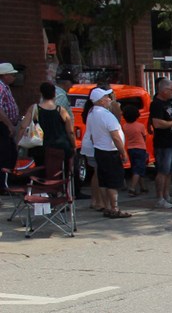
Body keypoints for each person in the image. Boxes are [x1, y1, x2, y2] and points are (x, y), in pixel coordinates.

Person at [14, 81, 75, 190]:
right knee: (62, 168)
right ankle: (61, 189)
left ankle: (41, 189)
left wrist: (17, 143)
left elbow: (23, 127)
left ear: (41, 94)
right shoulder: (61, 110)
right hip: (60, 147)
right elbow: (70, 131)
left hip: (39, 147)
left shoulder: (34, 109)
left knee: (40, 169)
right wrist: (73, 145)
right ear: (54, 94)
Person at [85, 88, 131, 218]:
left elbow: (92, 135)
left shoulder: (92, 113)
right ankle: (114, 208)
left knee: (103, 181)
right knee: (112, 181)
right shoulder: (106, 115)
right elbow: (115, 136)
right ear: (100, 100)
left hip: (99, 150)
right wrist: (123, 152)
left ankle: (107, 207)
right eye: (106, 97)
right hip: (110, 151)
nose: (109, 99)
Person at [149, 78, 172, 208]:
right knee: (163, 171)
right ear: (164, 90)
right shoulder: (156, 104)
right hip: (164, 143)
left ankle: (167, 195)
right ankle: (160, 198)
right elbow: (157, 123)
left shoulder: (168, 103)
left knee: (170, 171)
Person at [120, 102, 149, 197]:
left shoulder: (125, 126)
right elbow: (144, 137)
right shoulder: (140, 126)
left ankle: (143, 187)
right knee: (139, 168)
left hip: (130, 149)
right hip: (140, 148)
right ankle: (132, 188)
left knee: (136, 167)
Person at [0, 62, 20, 191]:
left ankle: (5, 182)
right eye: (11, 74)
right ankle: (2, 185)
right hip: (2, 126)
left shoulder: (5, 87)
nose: (14, 77)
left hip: (6, 125)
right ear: (4, 75)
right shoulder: (0, 87)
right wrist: (9, 125)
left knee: (11, 153)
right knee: (5, 155)